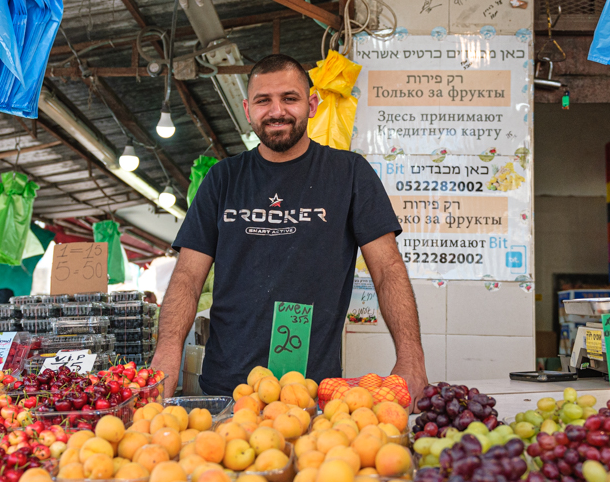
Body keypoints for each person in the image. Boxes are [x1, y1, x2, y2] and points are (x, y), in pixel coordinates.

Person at [151, 54, 428, 401]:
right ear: (248, 109)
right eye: (263, 100)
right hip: (226, 388)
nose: (276, 111)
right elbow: (189, 277)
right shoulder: (222, 179)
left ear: (311, 105)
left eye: (289, 98)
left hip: (312, 390)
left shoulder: (349, 174)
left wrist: (411, 358)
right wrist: (167, 354)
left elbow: (387, 269)